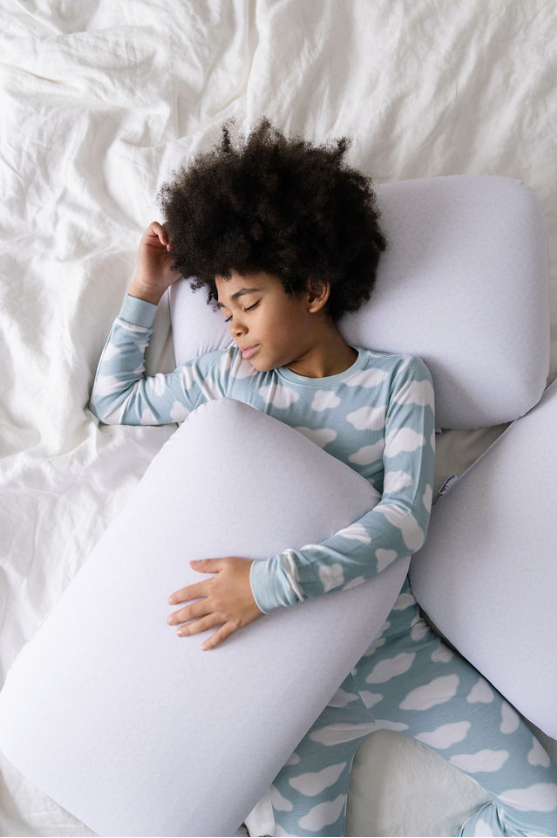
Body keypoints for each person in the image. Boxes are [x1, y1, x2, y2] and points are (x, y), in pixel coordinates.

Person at [90, 120, 557, 837]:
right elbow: (115, 400)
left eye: (249, 303)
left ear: (311, 289)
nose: (233, 327)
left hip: (402, 652)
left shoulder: (398, 382)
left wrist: (265, 584)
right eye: (224, 309)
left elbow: (404, 521)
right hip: (301, 688)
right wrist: (145, 290)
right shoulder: (228, 378)